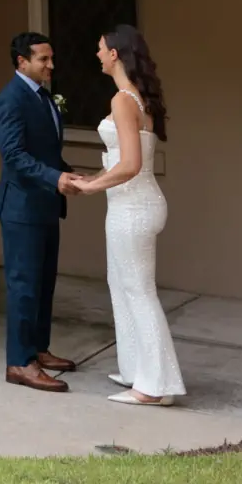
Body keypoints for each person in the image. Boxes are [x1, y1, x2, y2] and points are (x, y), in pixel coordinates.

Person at [64, 24, 186, 406]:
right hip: (134, 203)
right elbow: (125, 159)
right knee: (121, 285)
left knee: (138, 291)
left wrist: (90, 188)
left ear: (115, 54)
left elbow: (131, 164)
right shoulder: (138, 98)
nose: (98, 54)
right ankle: (137, 370)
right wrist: (93, 177)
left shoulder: (122, 100)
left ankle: (154, 387)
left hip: (132, 207)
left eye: (101, 48)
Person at [0, 31, 75, 391]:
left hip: (46, 204)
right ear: (22, 62)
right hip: (22, 208)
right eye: (43, 59)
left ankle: (38, 349)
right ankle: (19, 362)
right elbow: (13, 155)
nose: (51, 65)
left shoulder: (44, 97)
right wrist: (55, 178)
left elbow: (46, 152)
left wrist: (68, 173)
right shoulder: (11, 99)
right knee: (23, 287)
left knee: (44, 284)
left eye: (51, 58)